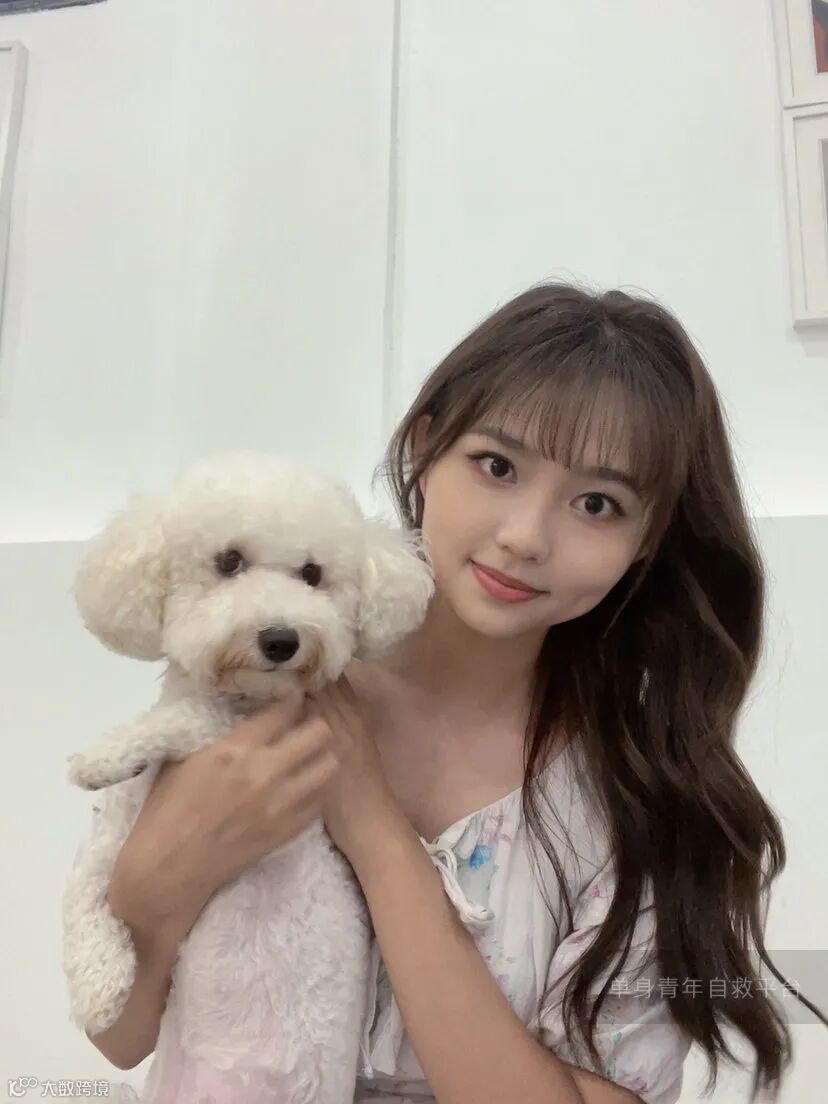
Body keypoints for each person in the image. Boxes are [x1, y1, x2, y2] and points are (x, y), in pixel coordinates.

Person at [89, 281, 826, 1103]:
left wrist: (375, 831)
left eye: (597, 503)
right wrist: (158, 878)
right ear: (425, 447)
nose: (525, 536)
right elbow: (120, 1035)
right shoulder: (266, 689)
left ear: (647, 538)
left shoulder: (637, 795)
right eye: (497, 466)